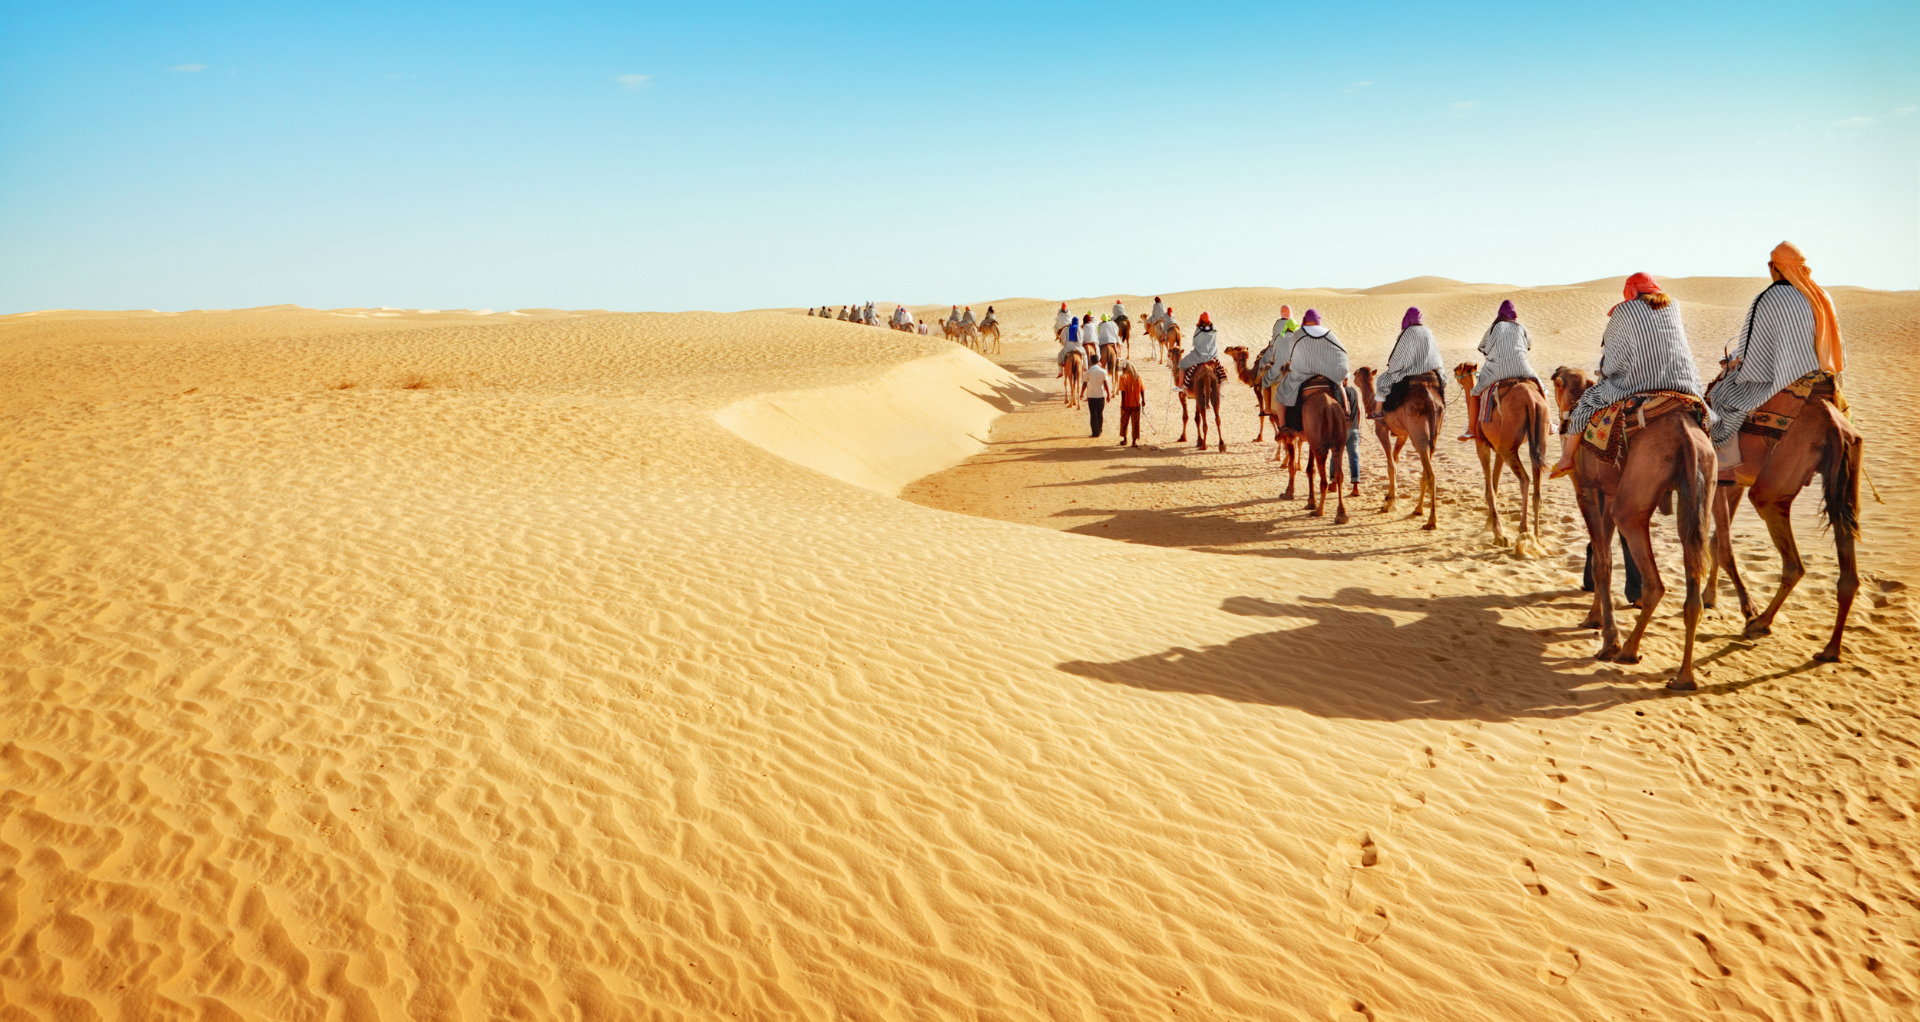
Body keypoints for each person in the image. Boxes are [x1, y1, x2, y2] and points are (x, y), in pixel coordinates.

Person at [1553, 273, 1708, 477]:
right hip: (1685, 384)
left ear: (1631, 290)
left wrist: (1609, 371)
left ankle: (1566, 458)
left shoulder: (1624, 310)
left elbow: (1612, 353)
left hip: (1639, 384)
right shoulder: (1674, 305)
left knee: (1586, 403)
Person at [1705, 241, 1843, 469]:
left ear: (1775, 267)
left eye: (1771, 264)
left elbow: (1753, 349)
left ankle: (1721, 463)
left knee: (1719, 397)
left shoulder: (1770, 297)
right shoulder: (1822, 296)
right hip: (1826, 377)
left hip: (1781, 379)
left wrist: (1734, 365)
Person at [1465, 300, 1540, 440]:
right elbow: (1528, 346)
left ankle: (1471, 429)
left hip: (1497, 369)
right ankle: (1548, 424)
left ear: (1500, 314)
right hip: (1523, 368)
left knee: (1475, 392)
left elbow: (1483, 348)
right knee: (1542, 388)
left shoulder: (1495, 327)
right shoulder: (1521, 327)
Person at [1274, 309, 1350, 430]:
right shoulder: (1330, 333)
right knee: (1341, 386)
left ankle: (1283, 426)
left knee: (1281, 392)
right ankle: (1347, 413)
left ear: (1304, 320)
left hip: (1303, 375)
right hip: (1330, 374)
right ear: (1318, 321)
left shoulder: (1298, 334)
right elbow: (1342, 353)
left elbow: (1292, 355)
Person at [1370, 306, 1444, 418]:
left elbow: (1399, 355)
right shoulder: (1428, 331)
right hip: (1432, 369)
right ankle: (1443, 411)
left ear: (1407, 318)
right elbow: (1435, 352)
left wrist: (1393, 365)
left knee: (1382, 380)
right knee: (1442, 382)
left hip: (1411, 372)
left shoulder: (1407, 332)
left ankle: (1378, 411)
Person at [1116, 360, 1146, 446]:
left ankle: (1125, 439)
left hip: (1127, 403)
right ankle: (1134, 441)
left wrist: (1123, 402)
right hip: (1136, 403)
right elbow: (1142, 389)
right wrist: (1143, 400)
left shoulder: (1123, 377)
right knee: (1135, 422)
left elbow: (1123, 391)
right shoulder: (1138, 377)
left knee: (1124, 421)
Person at [1084, 359, 1111, 437]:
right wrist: (1108, 394)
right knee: (1100, 413)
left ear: (1091, 362)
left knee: (1093, 414)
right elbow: (1105, 384)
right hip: (1101, 395)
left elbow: (1085, 383)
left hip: (1091, 396)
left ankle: (1095, 432)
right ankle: (1100, 429)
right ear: (1098, 362)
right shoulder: (1103, 371)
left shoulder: (1088, 372)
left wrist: (1082, 393)